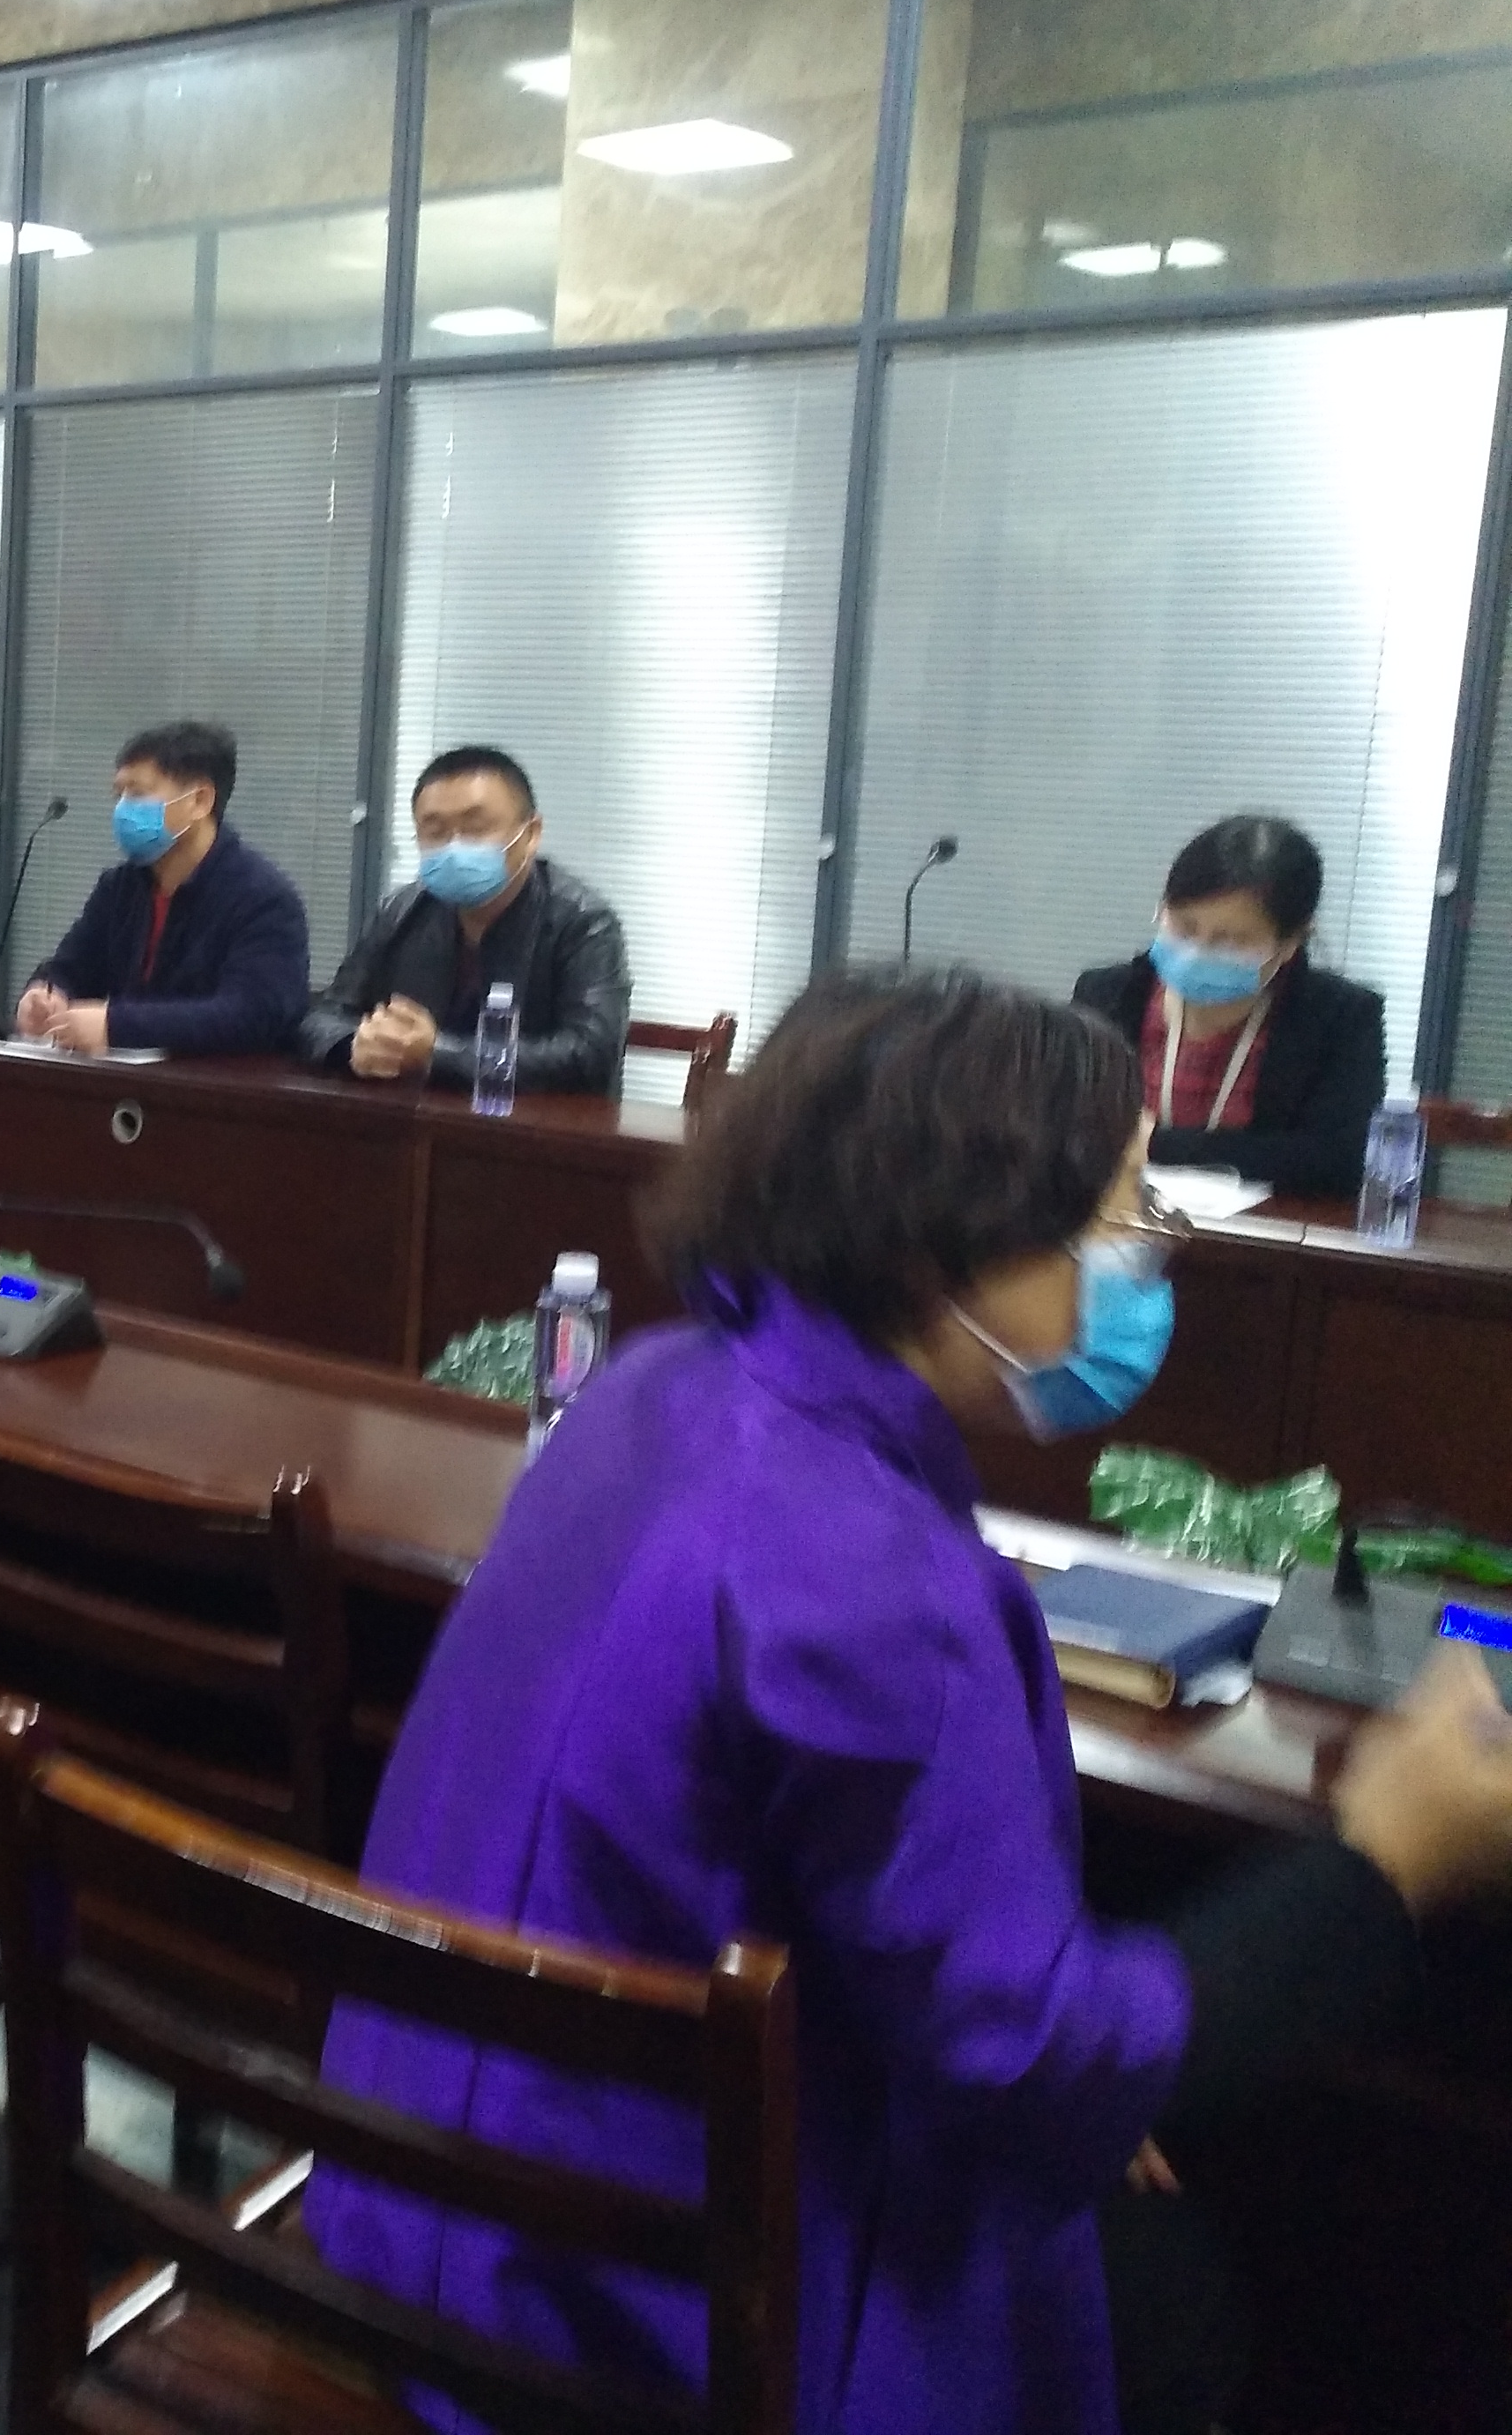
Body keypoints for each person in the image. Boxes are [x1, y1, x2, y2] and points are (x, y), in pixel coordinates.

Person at [302, 968, 1512, 2435]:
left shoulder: (651, 1386)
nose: (1146, 1256)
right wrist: (1386, 1862)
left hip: (421, 2183)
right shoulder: (871, 1580)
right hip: (619, 2316)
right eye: (1124, 1213)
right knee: (1196, 2294)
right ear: (954, 1246)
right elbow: (1039, 2058)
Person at [1073, 814, 1386, 1203]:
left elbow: (1339, 1161)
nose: (1197, 951)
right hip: (1115, 1219)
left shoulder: (1341, 1018)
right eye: (1184, 927)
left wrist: (1154, 1142)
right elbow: (1062, 1131)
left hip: (1263, 1236)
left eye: (1231, 940)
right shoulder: (1105, 995)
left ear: (1290, 942)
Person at [300, 744, 629, 1095]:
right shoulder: (402, 910)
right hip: (414, 1118)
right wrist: (355, 1045)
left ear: (531, 833)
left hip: (536, 1124)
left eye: (475, 828)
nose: (454, 847)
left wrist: (436, 1053)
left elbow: (590, 1056)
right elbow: (322, 1018)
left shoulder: (584, 923)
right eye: (435, 831)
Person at [13, 721, 309, 1057]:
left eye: (137, 794)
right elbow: (70, 967)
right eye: (119, 795)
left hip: (217, 1084)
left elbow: (250, 1014)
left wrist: (116, 1026)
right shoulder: (119, 888)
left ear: (200, 800)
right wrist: (45, 995)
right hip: (118, 1080)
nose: (123, 810)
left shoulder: (263, 899)